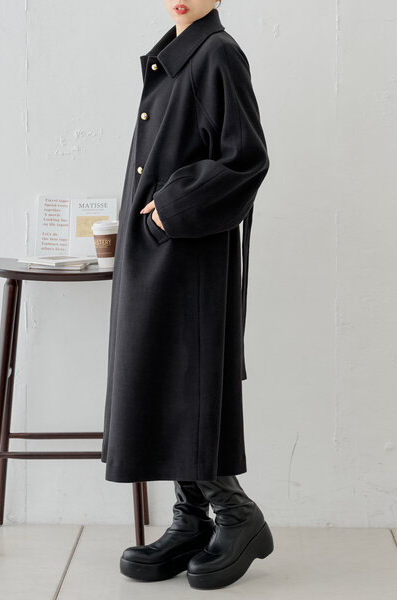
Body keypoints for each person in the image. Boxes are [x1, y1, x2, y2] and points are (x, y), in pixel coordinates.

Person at [101, 0, 272, 589]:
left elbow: (247, 158)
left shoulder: (217, 54)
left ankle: (237, 515)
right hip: (158, 253)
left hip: (190, 255)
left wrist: (169, 210)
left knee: (187, 379)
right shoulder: (173, 56)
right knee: (164, 378)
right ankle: (191, 518)